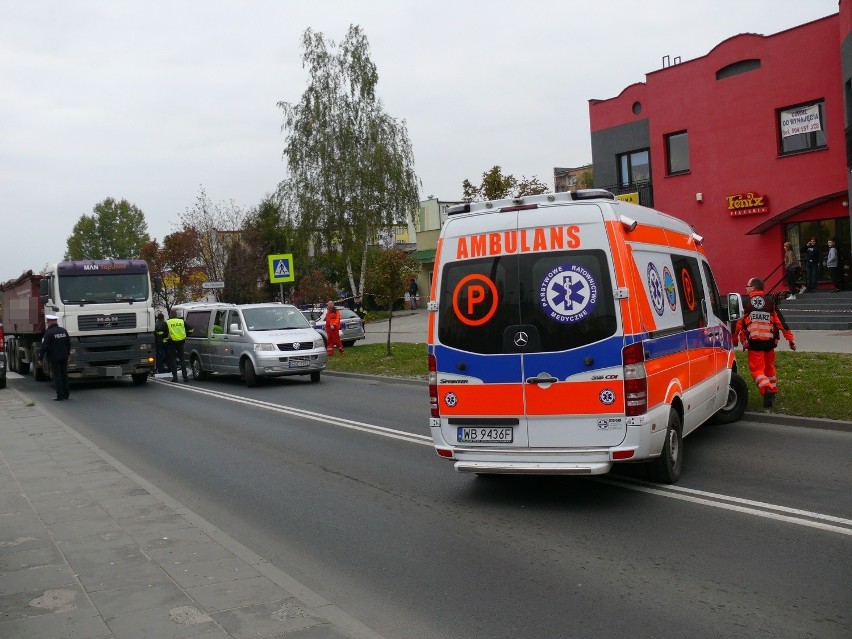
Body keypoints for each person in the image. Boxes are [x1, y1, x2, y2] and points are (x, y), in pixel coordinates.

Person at [733, 277, 796, 408]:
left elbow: (738, 325)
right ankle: (772, 391)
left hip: (755, 343)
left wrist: (734, 339)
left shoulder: (746, 304)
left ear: (753, 288)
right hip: (769, 343)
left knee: (757, 370)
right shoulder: (770, 304)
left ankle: (766, 388)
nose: (746, 288)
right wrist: (790, 340)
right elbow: (781, 323)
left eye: (747, 286)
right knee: (769, 367)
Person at [39, 314, 71, 401]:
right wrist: (68, 354)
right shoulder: (64, 331)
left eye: (48, 322)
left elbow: (44, 346)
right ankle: (66, 394)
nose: (47, 323)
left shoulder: (49, 333)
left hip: (54, 357)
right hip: (64, 356)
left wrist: (40, 358)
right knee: (64, 375)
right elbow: (68, 343)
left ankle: (60, 395)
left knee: (57, 376)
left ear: (50, 322)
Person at [163, 309, 191, 382]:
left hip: (171, 343)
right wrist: (185, 335)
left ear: (170, 315)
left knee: (173, 360)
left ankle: (175, 378)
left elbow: (160, 331)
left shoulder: (167, 322)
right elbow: (191, 329)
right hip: (181, 342)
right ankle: (185, 377)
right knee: (182, 359)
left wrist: (165, 337)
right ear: (176, 315)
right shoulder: (181, 321)